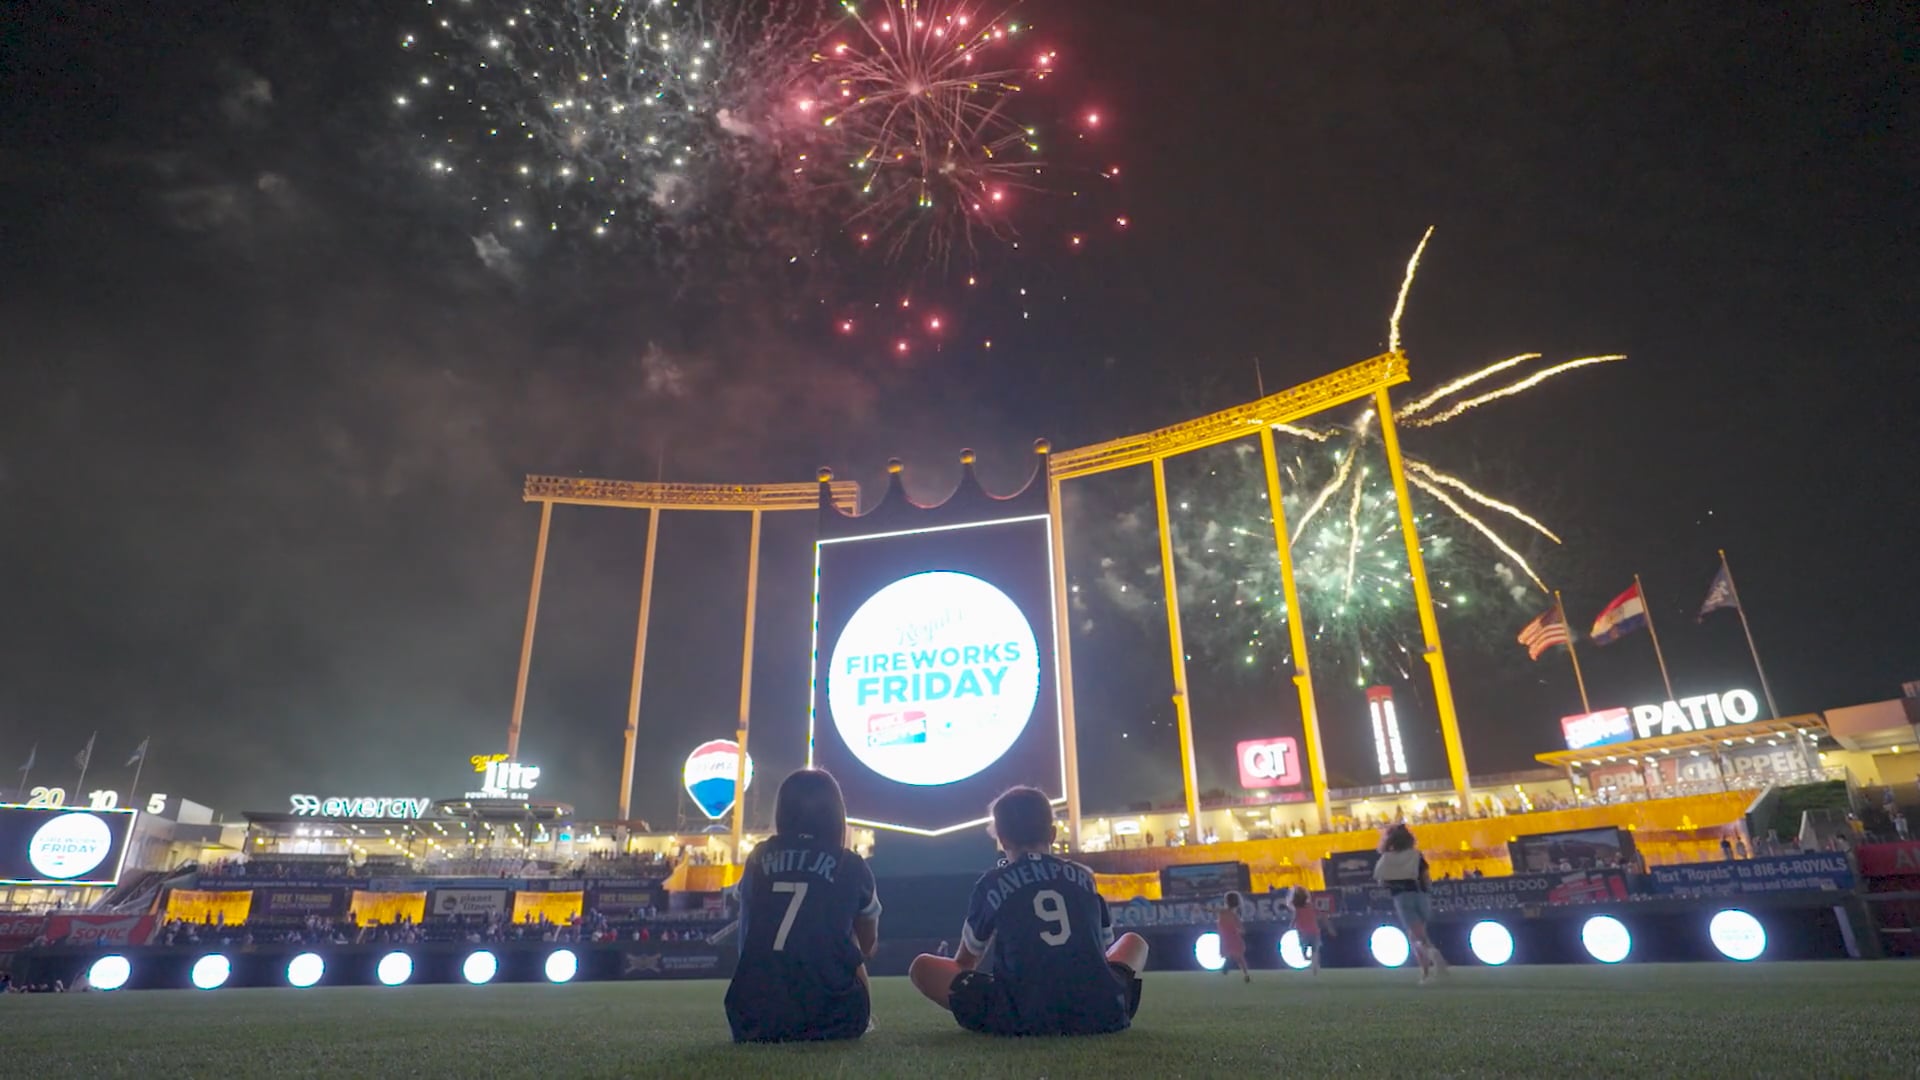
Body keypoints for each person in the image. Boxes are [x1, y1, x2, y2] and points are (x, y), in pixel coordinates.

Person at [909, 787, 1149, 1036]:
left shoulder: (992, 882)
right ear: (1053, 834)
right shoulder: (1084, 876)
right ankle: (1104, 1000)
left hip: (1023, 1016)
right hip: (1101, 1012)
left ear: (1002, 839)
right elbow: (1103, 953)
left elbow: (965, 962)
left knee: (922, 967)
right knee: (1134, 942)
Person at [723, 769, 880, 1043]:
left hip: (752, 1017)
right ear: (835, 814)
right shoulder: (852, 864)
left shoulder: (758, 857)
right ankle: (863, 1019)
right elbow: (868, 946)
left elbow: (747, 934)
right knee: (848, 937)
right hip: (834, 1017)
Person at [1375, 823, 1446, 983]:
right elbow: (1426, 876)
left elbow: (1382, 880)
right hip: (1421, 895)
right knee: (1418, 933)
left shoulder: (1387, 858)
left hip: (1402, 897)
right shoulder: (1416, 855)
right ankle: (1427, 972)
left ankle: (1431, 959)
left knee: (1416, 938)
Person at [1286, 886, 1327, 975]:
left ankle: (1309, 959)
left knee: (1304, 950)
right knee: (1315, 950)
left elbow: (1295, 918)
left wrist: (1291, 926)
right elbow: (1319, 913)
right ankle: (1315, 966)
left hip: (1303, 932)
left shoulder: (1297, 908)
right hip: (1314, 931)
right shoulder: (1310, 906)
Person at [1217, 891, 1250, 982]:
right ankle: (1246, 974)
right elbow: (1242, 929)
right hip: (1233, 936)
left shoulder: (1222, 912)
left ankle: (1228, 963)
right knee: (1240, 957)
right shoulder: (1234, 915)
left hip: (1225, 937)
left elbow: (1212, 910)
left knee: (1231, 953)